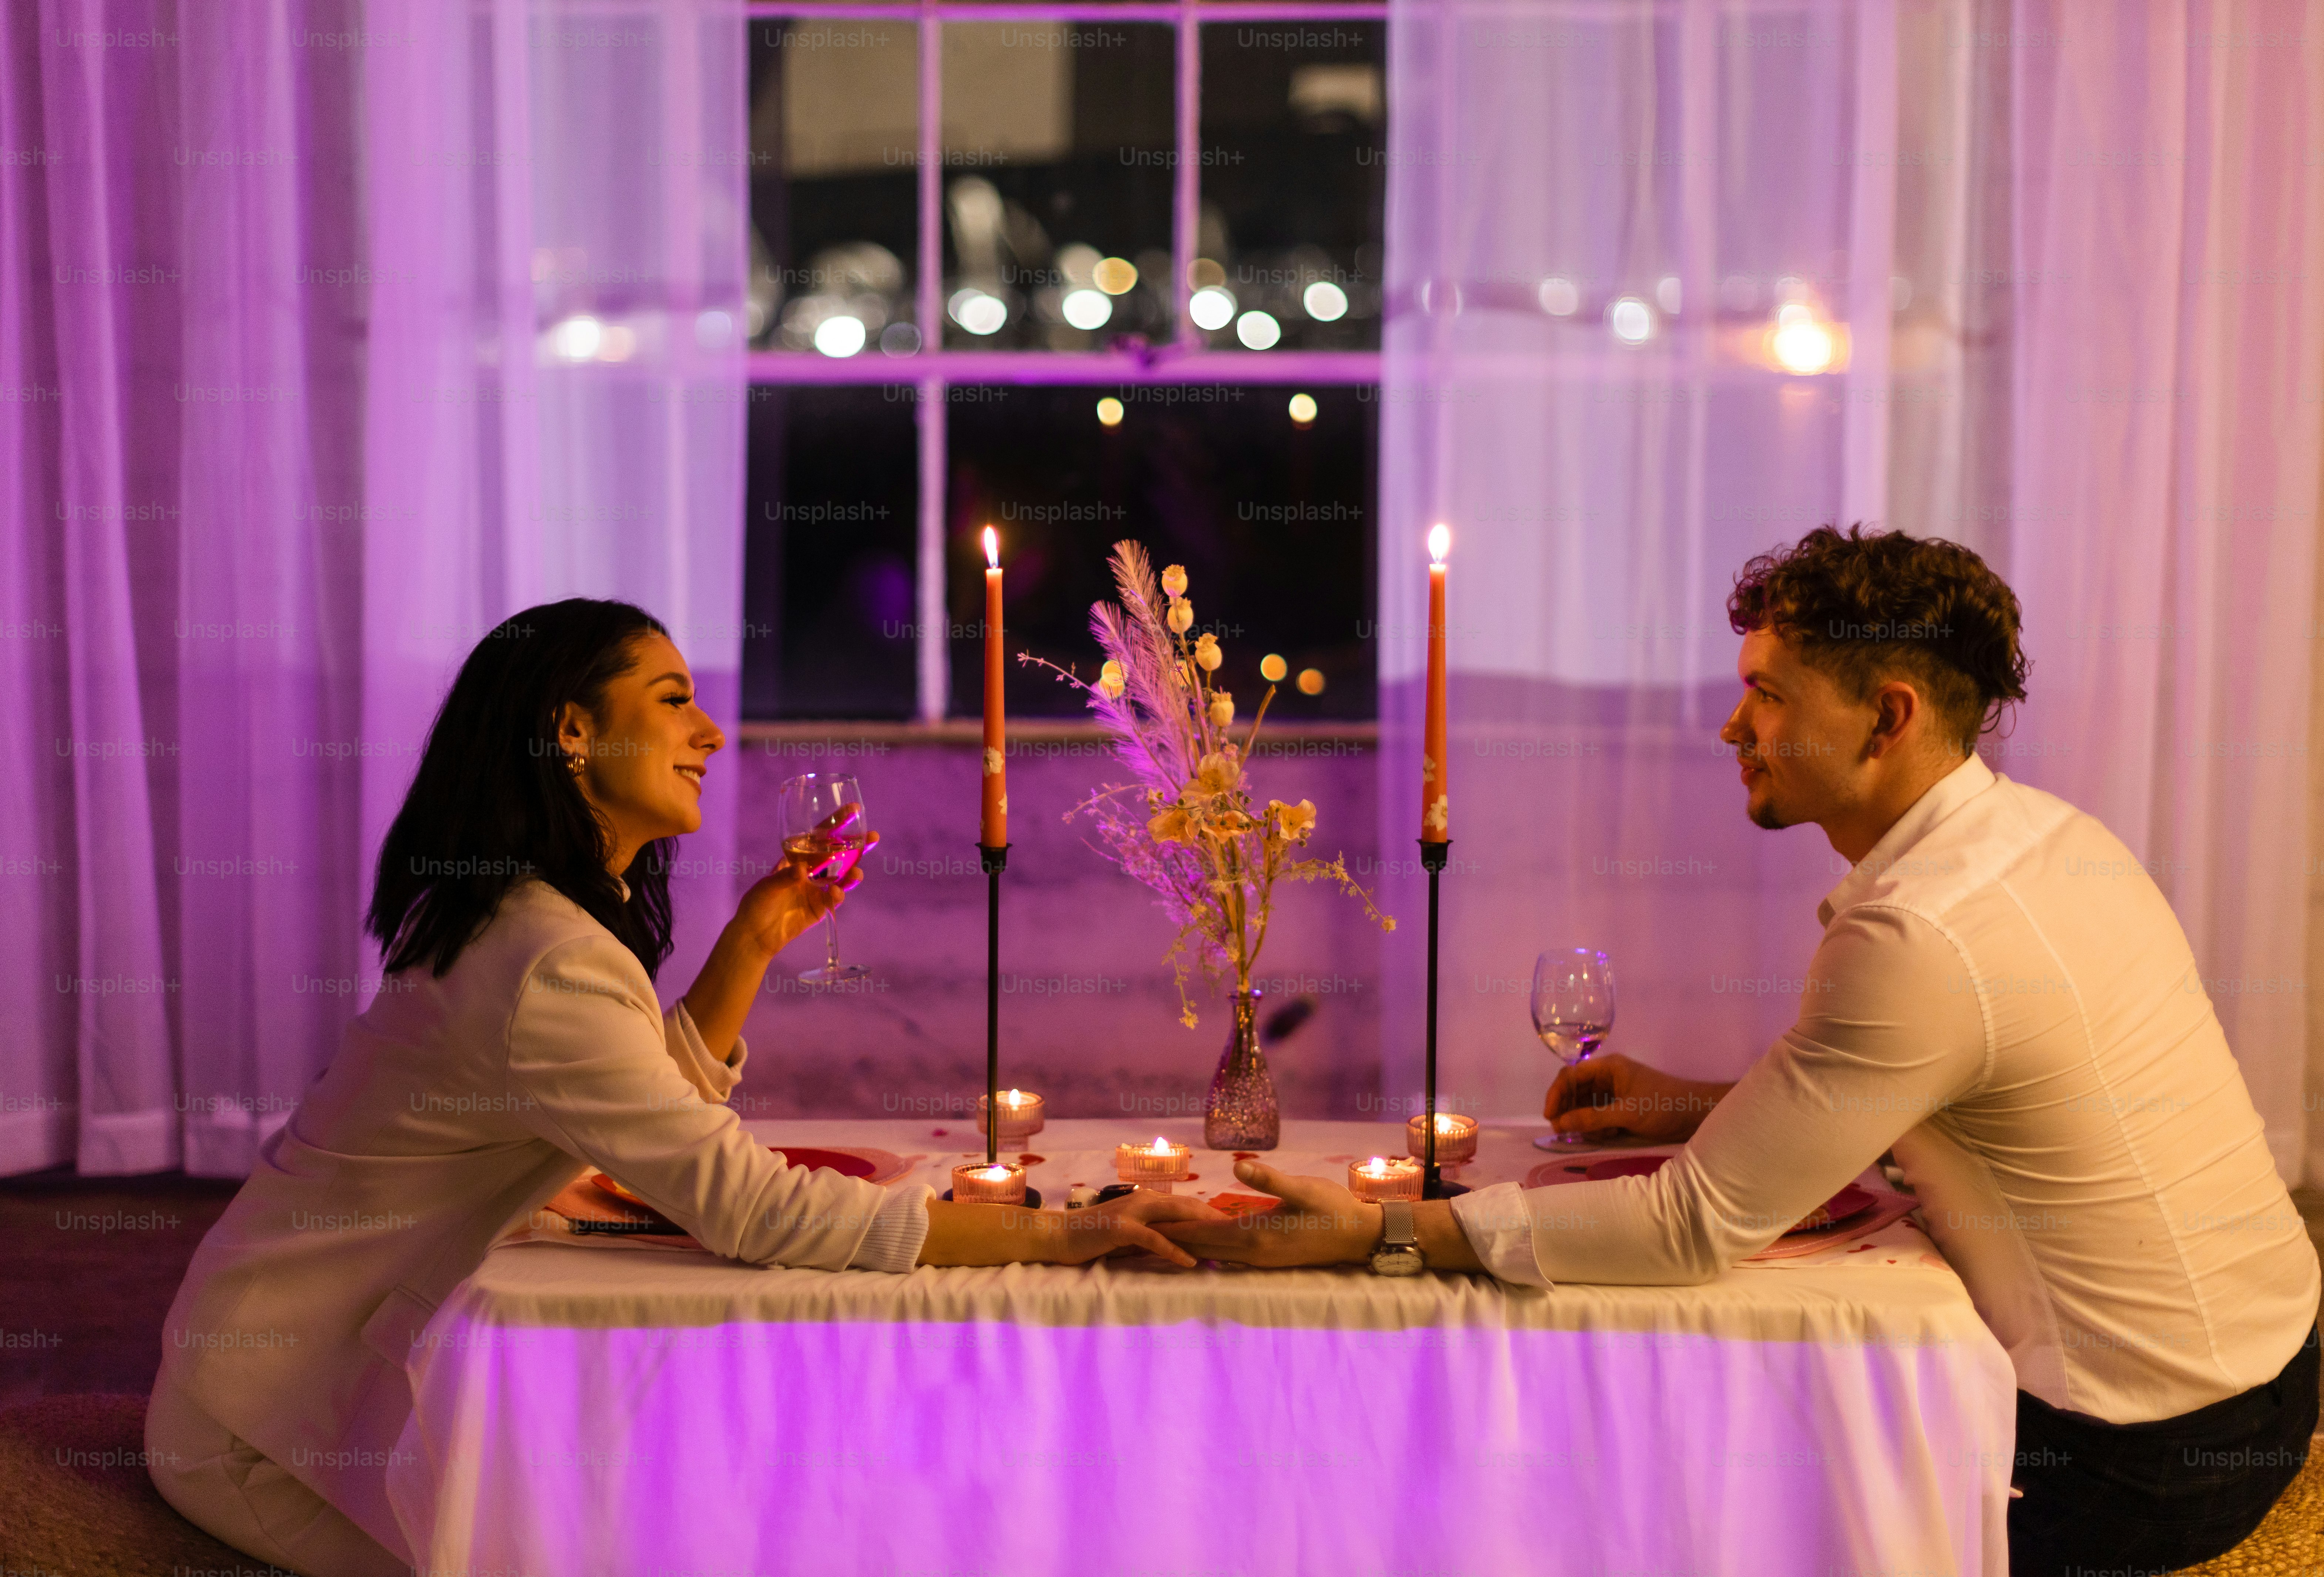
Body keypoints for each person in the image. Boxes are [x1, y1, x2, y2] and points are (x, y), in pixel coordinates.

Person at [1161, 527, 2320, 1574]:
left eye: (1766, 694)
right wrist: (1692, 1104)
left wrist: (1383, 1232)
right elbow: (1954, 1089)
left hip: (2136, 1459)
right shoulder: (2044, 835)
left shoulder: (1921, 928)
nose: (1731, 727)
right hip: (2271, 1367)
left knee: (1666, 1481)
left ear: (1890, 715)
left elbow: (1687, 1229)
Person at [147, 599, 1218, 1577]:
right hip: (262, 1426)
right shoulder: (542, 957)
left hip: (300, 1368)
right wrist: (1057, 1235)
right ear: (572, 732)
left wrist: (750, 942)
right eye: (673, 702)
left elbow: (625, 1109)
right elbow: (751, 1210)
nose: (709, 733)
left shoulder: (523, 923)